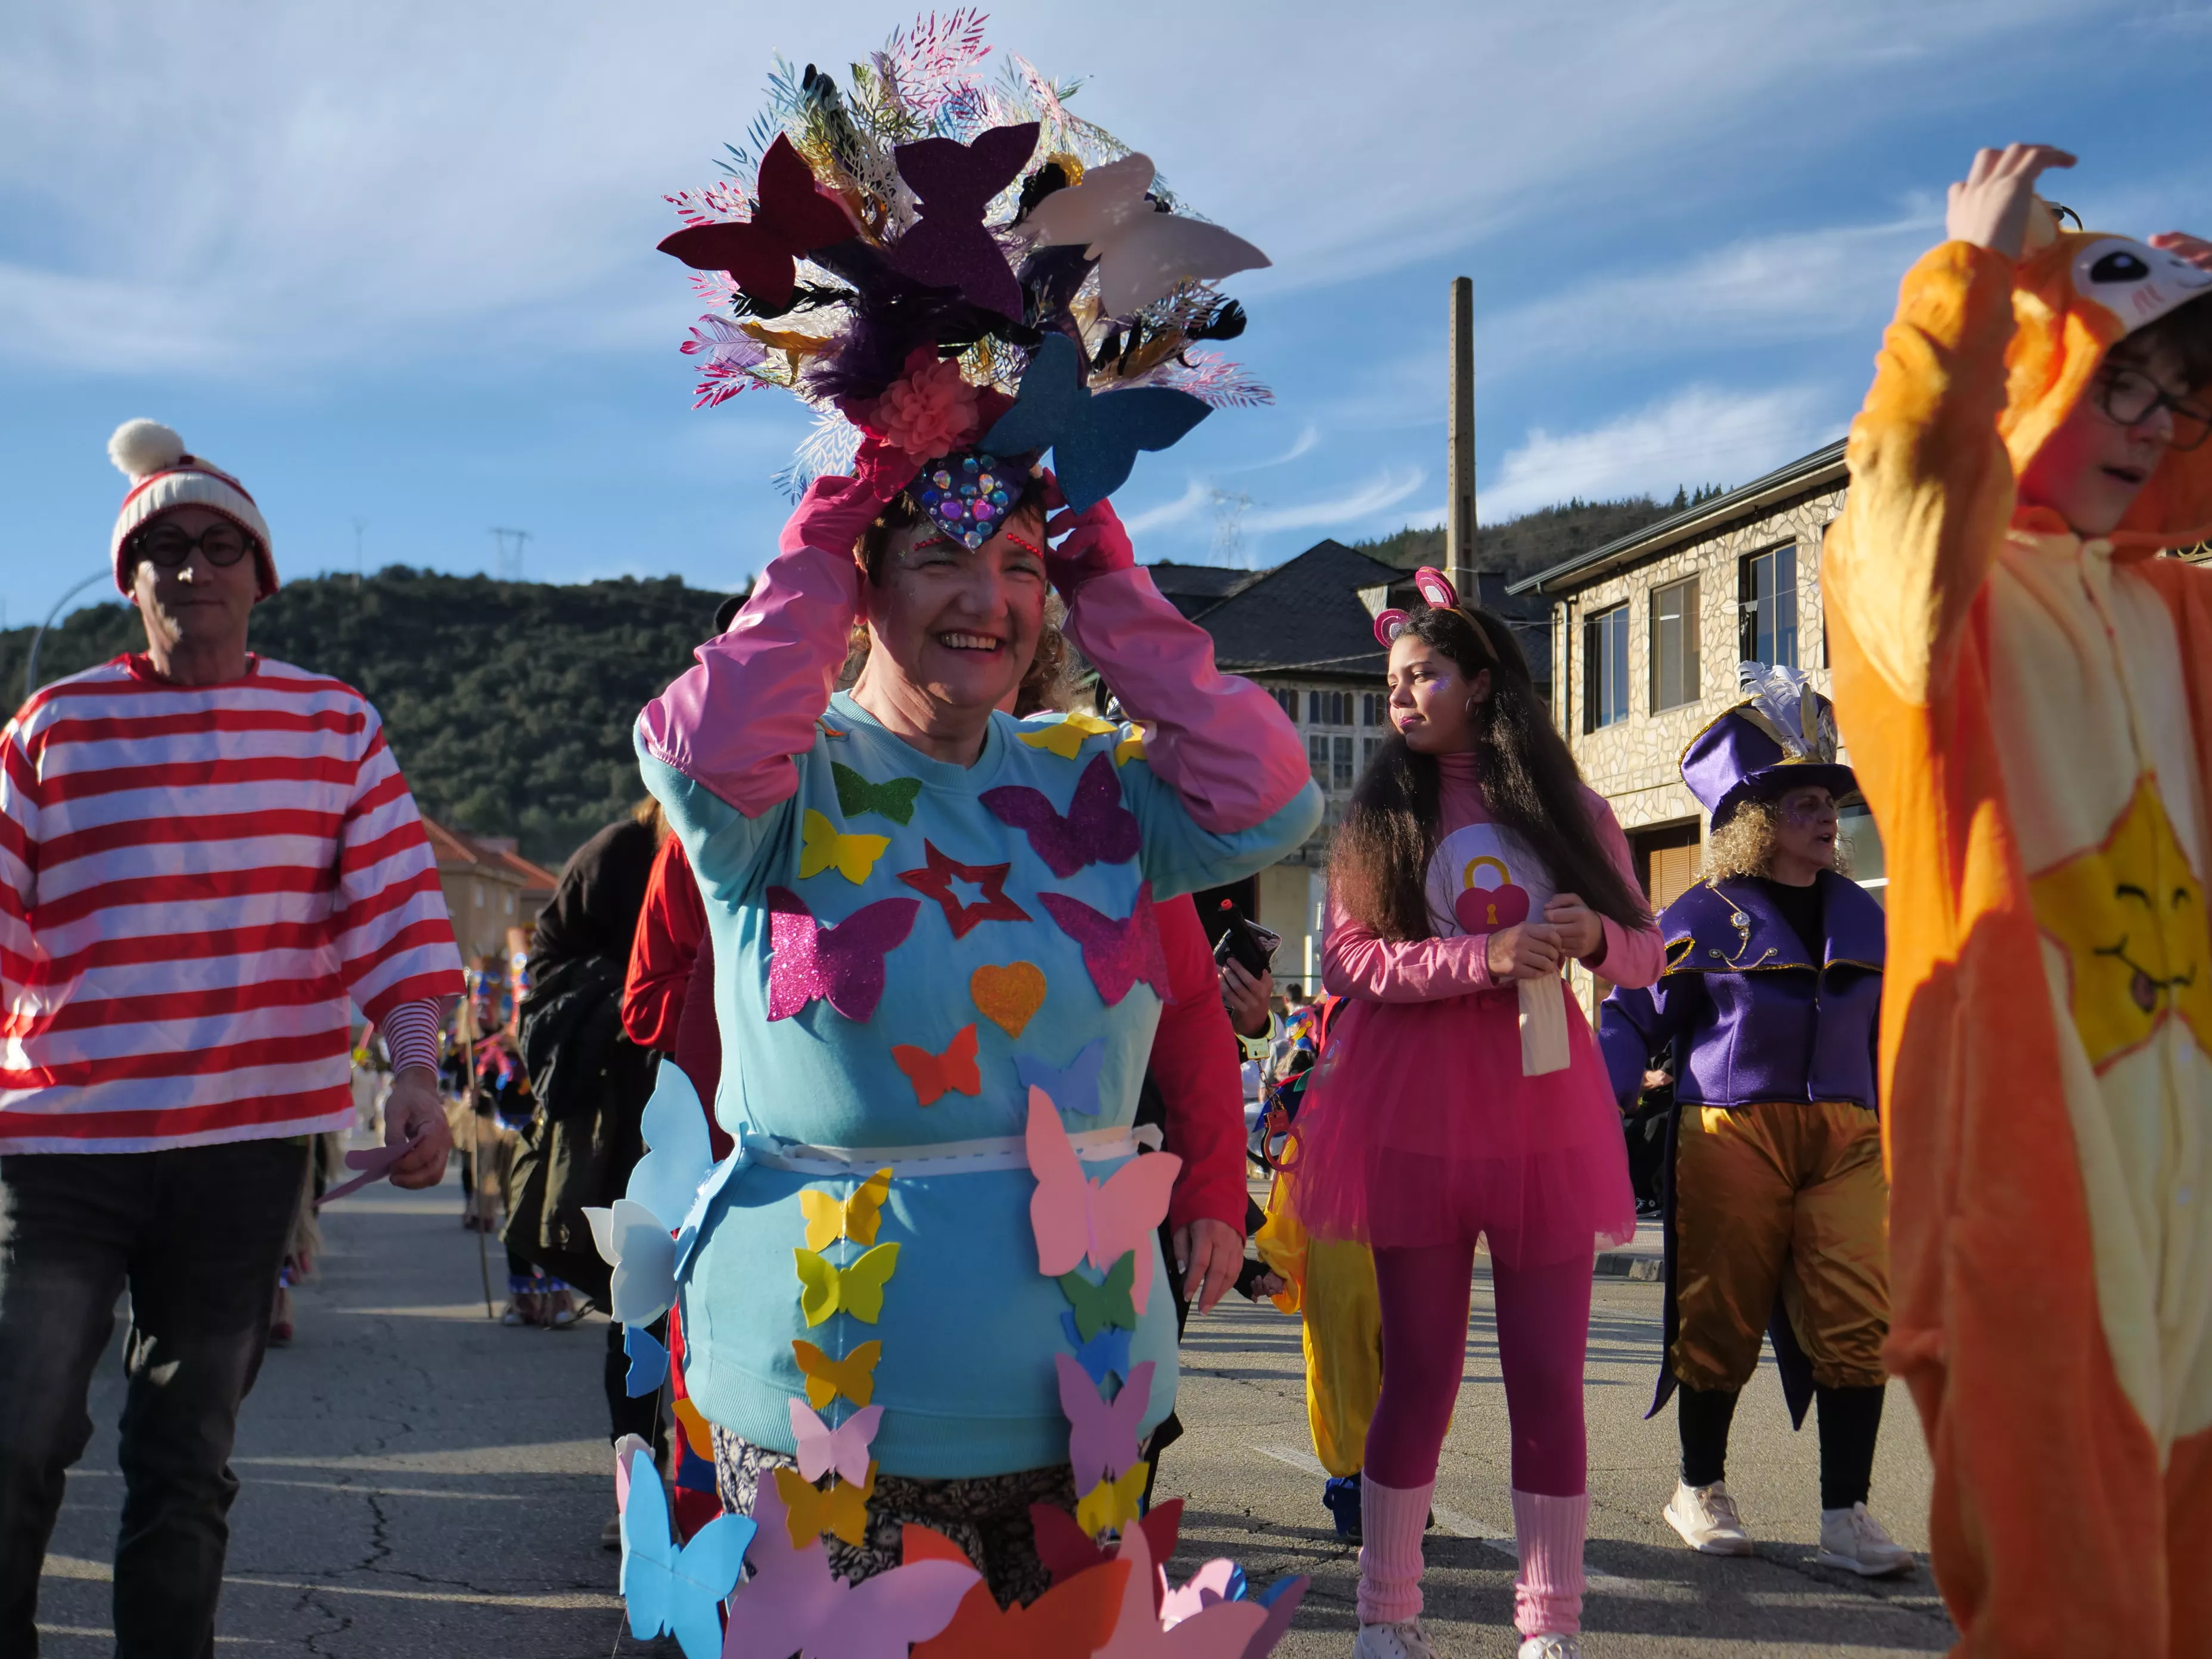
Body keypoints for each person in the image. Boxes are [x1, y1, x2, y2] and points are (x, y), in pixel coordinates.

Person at [1824, 144, 2212, 1652]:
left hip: (2190, 1188)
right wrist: (1968, 281)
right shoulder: (1929, 591)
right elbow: (1911, 484)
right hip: (2031, 1197)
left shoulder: (2175, 608)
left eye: (2178, 394)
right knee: (2070, 1612)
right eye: (2123, 378)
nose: (2152, 422)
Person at [0, 420, 461, 1657]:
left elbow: (393, 910)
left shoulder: (333, 727)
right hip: (62, 1148)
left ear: (262, 575)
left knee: (186, 1457)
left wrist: (415, 1072)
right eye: (162, 548)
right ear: (128, 578)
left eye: (219, 546)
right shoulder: (52, 725)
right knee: (17, 1439)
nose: (191, 568)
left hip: (242, 1152)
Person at [1284, 568, 1662, 1659]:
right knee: (1419, 1376)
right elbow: (1350, 961)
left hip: (1546, 1118)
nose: (1401, 696)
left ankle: (1549, 1625)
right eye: (1393, 679)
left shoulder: (1571, 809)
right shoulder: (1378, 813)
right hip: (1409, 1119)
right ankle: (1385, 1613)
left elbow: (1644, 948)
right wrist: (1481, 954)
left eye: (1423, 675)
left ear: (1481, 682)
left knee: (1549, 1379)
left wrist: (1590, 935)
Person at [1598, 669, 1909, 1576]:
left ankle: (1846, 1513)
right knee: (1718, 1314)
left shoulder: (1867, 917)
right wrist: (1603, 1095)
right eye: (1805, 801)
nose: (1825, 816)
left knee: (1861, 1320)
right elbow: (1629, 1013)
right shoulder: (1701, 916)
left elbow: (1900, 1037)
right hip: (1730, 1136)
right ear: (1755, 819)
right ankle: (1699, 1486)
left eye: (1829, 801)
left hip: (1850, 1138)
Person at [507, 801, 663, 1540]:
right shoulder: (621, 853)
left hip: (736, 1107)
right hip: (636, 1113)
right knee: (643, 1313)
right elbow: (546, 972)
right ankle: (638, 1494)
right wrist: (619, 997)